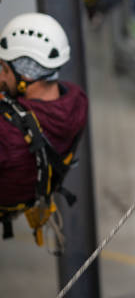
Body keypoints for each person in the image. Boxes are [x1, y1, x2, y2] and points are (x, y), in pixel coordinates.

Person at [0, 13, 88, 245]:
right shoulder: (77, 101)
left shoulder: (8, 135)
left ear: (26, 76)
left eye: (4, 69)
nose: (1, 76)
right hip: (31, 192)